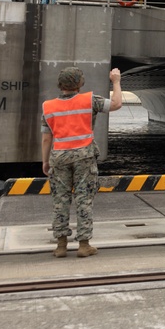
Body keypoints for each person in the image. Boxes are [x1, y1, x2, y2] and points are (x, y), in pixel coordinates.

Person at [41, 66, 122, 258]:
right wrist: (116, 81)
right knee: (83, 199)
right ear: (80, 83)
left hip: (59, 157)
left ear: (60, 85)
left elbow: (46, 138)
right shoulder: (89, 101)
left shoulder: (48, 107)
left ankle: (61, 246)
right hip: (84, 157)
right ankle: (84, 245)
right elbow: (117, 104)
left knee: (60, 200)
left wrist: (45, 161)